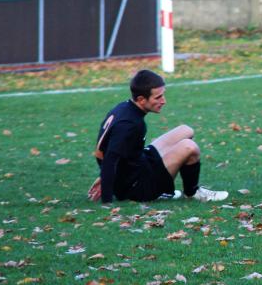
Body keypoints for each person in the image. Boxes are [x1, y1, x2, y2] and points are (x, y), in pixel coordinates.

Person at [88, 69, 228, 204]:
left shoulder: (125, 107)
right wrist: (107, 200)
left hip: (139, 165)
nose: (164, 101)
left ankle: (172, 187)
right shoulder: (130, 124)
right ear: (142, 99)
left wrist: (105, 176)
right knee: (189, 147)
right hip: (137, 189)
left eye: (163, 95)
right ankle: (192, 193)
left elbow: (104, 150)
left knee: (185, 130)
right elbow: (109, 159)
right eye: (158, 97)